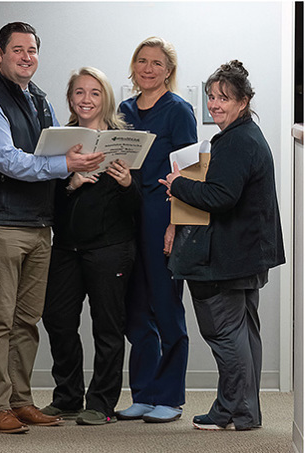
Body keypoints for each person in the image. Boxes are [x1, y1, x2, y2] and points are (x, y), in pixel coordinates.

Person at [0, 22, 104, 434]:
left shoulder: (39, 99)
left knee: (26, 320)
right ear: (0, 53)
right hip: (0, 226)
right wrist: (65, 166)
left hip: (41, 227)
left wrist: (74, 173)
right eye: (18, 49)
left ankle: (21, 401)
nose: (27, 57)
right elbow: (6, 160)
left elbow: (57, 151)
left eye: (33, 50)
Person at [159, 60, 285, 430]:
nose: (215, 104)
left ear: (243, 101)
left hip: (227, 258)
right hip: (246, 254)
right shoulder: (244, 136)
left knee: (225, 334)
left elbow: (220, 197)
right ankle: (244, 412)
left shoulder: (236, 141)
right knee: (244, 334)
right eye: (212, 96)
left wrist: (178, 184)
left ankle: (229, 410)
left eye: (224, 98)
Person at [41, 67, 140, 425]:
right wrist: (70, 183)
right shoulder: (58, 140)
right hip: (66, 247)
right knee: (57, 318)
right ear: (70, 99)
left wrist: (128, 183)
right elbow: (41, 198)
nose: (86, 99)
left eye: (95, 93)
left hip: (111, 248)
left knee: (108, 327)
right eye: (79, 92)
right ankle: (67, 397)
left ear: (106, 99)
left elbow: (138, 207)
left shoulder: (125, 140)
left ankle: (100, 403)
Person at [115, 37, 197, 423]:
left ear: (169, 71)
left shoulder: (179, 111)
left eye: (157, 63)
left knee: (165, 307)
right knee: (134, 310)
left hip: (162, 217)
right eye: (142, 61)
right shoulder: (124, 109)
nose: (148, 68)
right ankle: (144, 392)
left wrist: (175, 227)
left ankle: (169, 397)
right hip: (127, 218)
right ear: (134, 67)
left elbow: (190, 173)